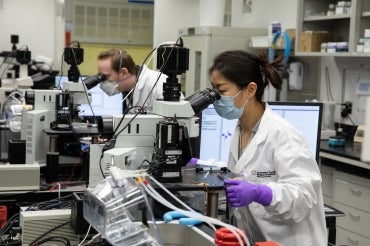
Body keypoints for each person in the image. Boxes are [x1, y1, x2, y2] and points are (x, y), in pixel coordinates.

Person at [209, 50, 327, 246]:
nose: (216, 98)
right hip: (259, 240)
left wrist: (262, 192)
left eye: (221, 91)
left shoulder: (283, 135)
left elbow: (305, 197)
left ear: (250, 89)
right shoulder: (241, 128)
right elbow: (244, 172)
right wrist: (204, 166)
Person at [97, 48, 167, 113]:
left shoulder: (158, 86)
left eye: (106, 76)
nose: (103, 82)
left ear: (124, 73)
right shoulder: (128, 92)